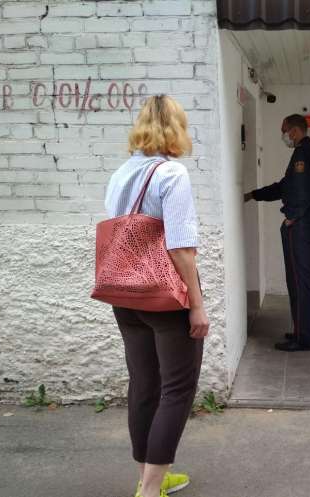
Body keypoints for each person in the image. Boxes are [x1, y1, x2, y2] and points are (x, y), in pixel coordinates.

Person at [104, 95, 209, 497]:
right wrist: (196, 305)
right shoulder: (171, 173)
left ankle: (149, 478)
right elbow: (181, 248)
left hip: (124, 293)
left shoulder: (120, 174)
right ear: (177, 129)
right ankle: (150, 491)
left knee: (144, 384)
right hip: (164, 297)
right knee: (178, 389)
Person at [244, 114, 310, 352]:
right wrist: (255, 194)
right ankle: (305, 331)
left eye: (284, 131)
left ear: (294, 131)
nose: (284, 135)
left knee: (299, 282)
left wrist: (293, 216)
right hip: (308, 222)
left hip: (300, 226)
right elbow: (286, 187)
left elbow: (300, 191)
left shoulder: (302, 154)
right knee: (305, 280)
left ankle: (303, 338)